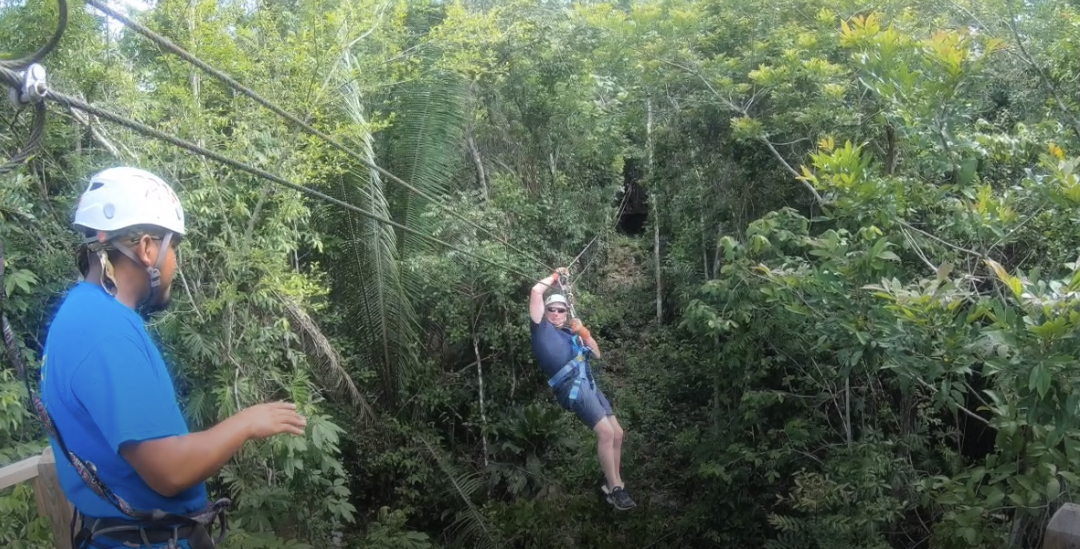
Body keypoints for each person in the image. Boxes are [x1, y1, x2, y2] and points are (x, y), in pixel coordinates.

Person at [39, 166, 308, 549]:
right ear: (147, 248)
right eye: (173, 248)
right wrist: (248, 422)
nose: (175, 264)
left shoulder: (80, 314)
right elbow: (169, 470)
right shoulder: (105, 331)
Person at [529, 268, 636, 510]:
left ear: (566, 313)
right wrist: (554, 277)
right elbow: (536, 291)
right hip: (571, 387)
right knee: (606, 434)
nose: (555, 313)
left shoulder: (572, 333)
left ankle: (613, 485)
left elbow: (596, 353)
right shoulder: (540, 330)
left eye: (560, 310)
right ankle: (617, 489)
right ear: (545, 313)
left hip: (588, 382)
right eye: (551, 310)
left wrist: (584, 332)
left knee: (617, 433)